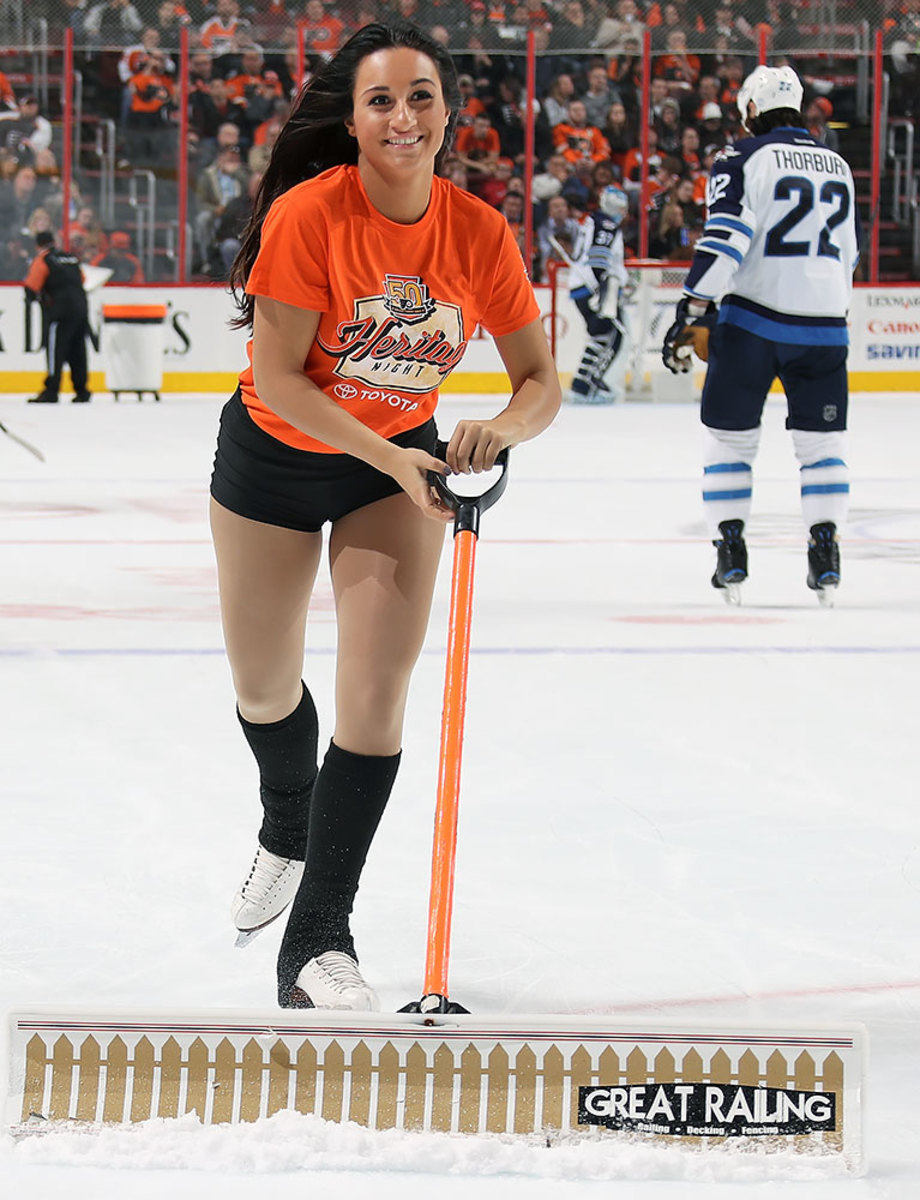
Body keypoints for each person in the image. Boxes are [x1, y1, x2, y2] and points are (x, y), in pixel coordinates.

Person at [213, 21, 560, 1011]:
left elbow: (538, 376)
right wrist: (392, 456)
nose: (402, 115)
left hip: (396, 469)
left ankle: (316, 941)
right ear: (355, 121)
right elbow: (280, 380)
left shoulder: (477, 231)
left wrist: (502, 425)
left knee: (374, 697)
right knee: (265, 687)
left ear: (447, 112)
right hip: (277, 458)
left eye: (420, 97)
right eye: (380, 100)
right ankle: (289, 814)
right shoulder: (311, 215)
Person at [662, 65, 859, 605]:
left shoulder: (740, 157)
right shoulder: (839, 164)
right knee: (822, 449)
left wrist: (693, 304)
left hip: (753, 322)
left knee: (730, 441)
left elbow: (726, 239)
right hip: (825, 327)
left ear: (751, 110)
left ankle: (730, 551)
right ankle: (825, 553)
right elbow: (851, 254)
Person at [561, 182, 629, 404]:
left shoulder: (595, 220)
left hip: (583, 284)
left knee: (604, 333)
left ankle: (585, 383)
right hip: (592, 285)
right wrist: (602, 290)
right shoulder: (606, 223)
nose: (622, 213)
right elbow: (598, 260)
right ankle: (585, 384)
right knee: (610, 333)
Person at [23, 230, 91, 404]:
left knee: (55, 350)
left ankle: (52, 390)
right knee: (78, 350)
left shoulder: (44, 259)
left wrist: (36, 299)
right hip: (81, 308)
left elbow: (32, 285)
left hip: (60, 311)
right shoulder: (71, 258)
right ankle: (82, 390)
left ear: (38, 245)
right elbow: (82, 280)